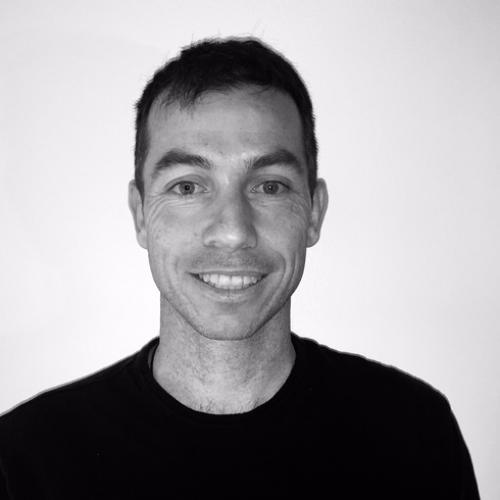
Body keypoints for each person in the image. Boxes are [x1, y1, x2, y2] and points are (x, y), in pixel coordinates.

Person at [0, 37, 480, 499]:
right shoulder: (27, 458)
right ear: (140, 214)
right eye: (188, 187)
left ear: (314, 213)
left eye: (269, 186)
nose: (232, 231)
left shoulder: (414, 434)